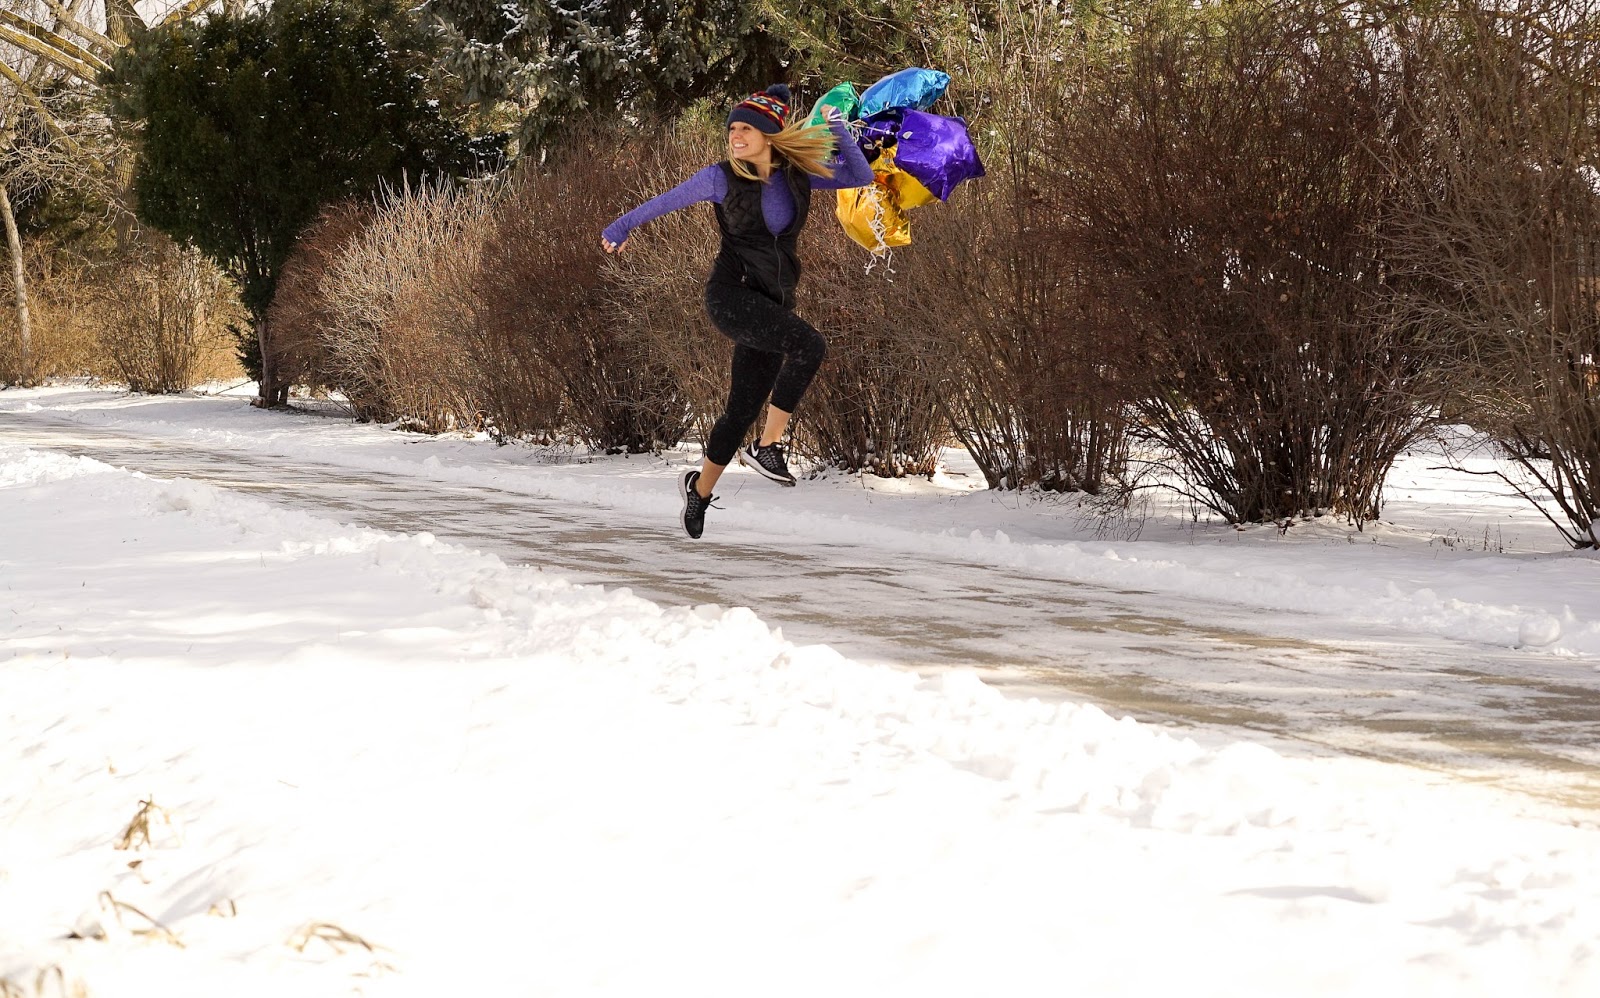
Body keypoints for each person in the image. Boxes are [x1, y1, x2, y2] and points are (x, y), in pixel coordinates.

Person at [601, 84, 875, 539]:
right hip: (731, 295)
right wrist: (621, 227)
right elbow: (665, 201)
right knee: (809, 345)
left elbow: (859, 175)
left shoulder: (798, 175)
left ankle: (699, 490)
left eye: (746, 128)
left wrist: (837, 127)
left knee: (740, 410)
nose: (735, 136)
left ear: (769, 134)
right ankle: (768, 446)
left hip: (773, 302)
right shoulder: (720, 178)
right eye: (732, 129)